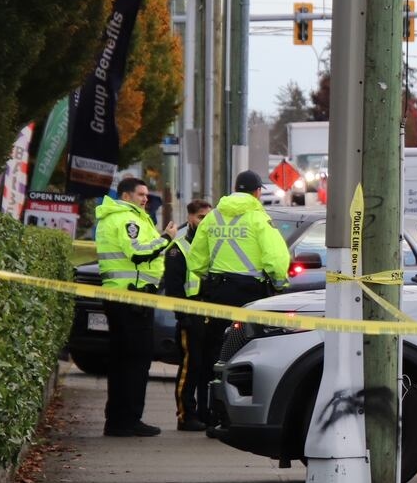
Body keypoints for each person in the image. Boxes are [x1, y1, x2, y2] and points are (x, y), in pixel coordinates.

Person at [187, 171, 292, 428]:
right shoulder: (259, 218)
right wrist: (279, 285)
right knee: (249, 353)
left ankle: (209, 414)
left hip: (218, 292)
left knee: (214, 354)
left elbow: (196, 261)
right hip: (250, 295)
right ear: (257, 192)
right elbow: (276, 259)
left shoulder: (213, 217)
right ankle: (238, 416)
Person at [95, 177, 178, 437]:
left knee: (122, 361)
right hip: (132, 299)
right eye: (141, 194)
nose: (145, 199)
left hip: (124, 298)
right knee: (136, 360)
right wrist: (166, 238)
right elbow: (138, 253)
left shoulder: (120, 217)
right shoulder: (127, 219)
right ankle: (129, 419)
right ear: (126, 195)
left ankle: (119, 419)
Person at [165, 199, 213, 432]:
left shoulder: (213, 244)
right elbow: (174, 288)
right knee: (190, 366)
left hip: (210, 312)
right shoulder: (178, 248)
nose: (205, 222)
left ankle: (205, 413)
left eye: (208, 217)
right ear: (190, 218)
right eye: (200, 217)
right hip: (190, 313)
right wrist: (182, 316)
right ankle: (185, 415)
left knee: (207, 367)